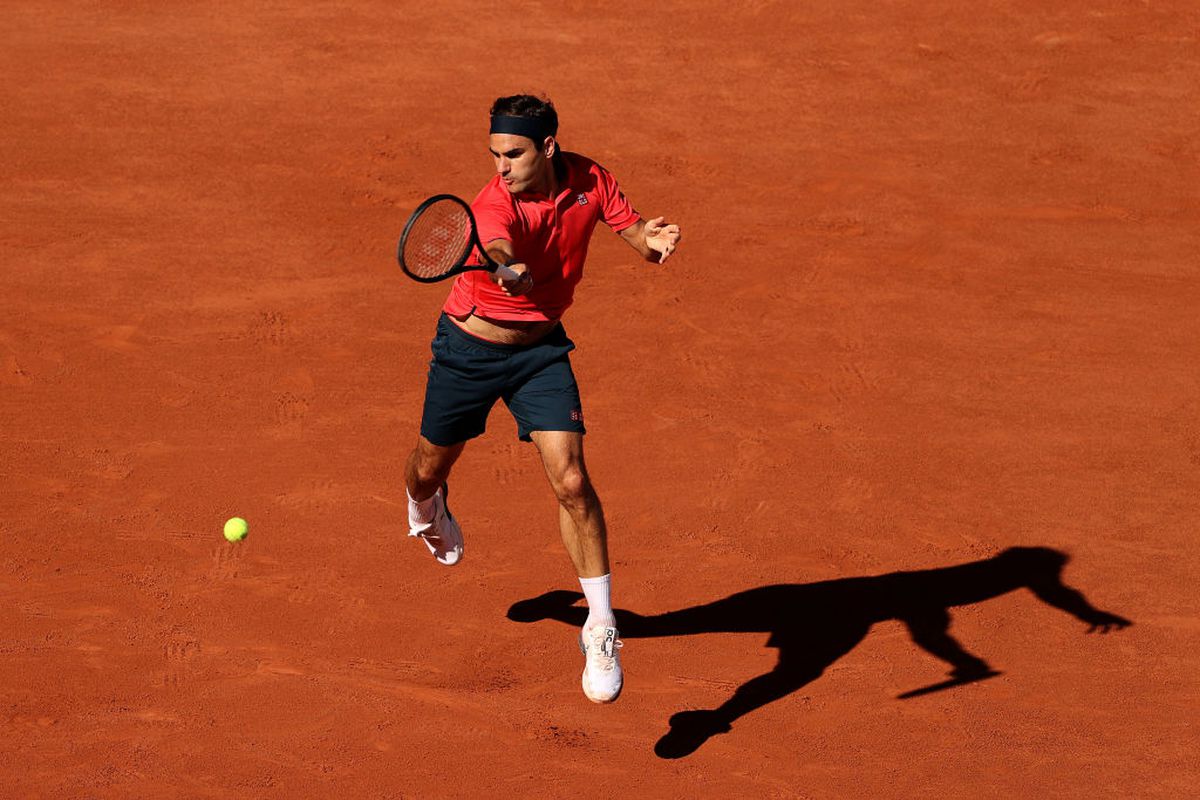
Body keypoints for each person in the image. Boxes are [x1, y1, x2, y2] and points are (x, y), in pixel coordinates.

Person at [403, 94, 681, 704]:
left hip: (541, 353)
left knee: (573, 480)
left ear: (547, 147)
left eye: (513, 154)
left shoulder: (590, 179)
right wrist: (505, 266)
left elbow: (631, 233)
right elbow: (498, 243)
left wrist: (651, 239)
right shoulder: (493, 204)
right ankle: (425, 507)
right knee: (427, 469)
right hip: (468, 352)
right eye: (494, 155)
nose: (501, 167)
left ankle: (601, 624)